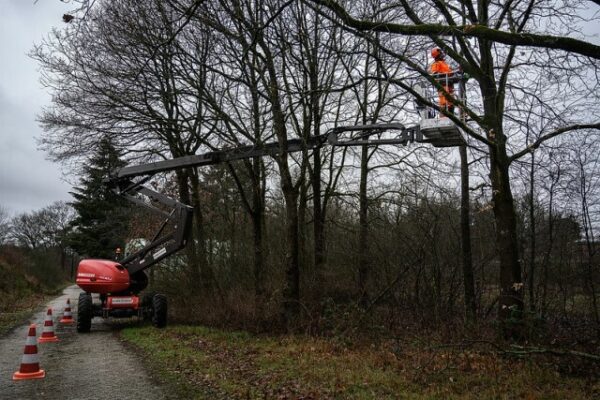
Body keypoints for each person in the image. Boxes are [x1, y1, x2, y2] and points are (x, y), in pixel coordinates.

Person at [429, 47, 455, 115]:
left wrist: (455, 74)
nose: (442, 54)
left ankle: (451, 115)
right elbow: (434, 74)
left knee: (451, 102)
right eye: (440, 53)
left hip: (449, 84)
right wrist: (444, 75)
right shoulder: (436, 64)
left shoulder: (445, 64)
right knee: (444, 101)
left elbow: (450, 72)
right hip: (442, 84)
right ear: (437, 54)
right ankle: (444, 115)